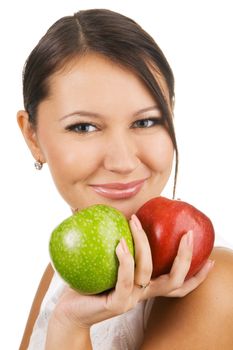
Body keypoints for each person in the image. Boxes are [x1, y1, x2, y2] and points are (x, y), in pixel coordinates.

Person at [17, 8, 233, 350]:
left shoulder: (214, 286)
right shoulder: (65, 270)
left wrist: (71, 328)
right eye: (84, 127)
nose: (122, 161)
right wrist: (71, 317)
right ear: (32, 136)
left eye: (145, 122)